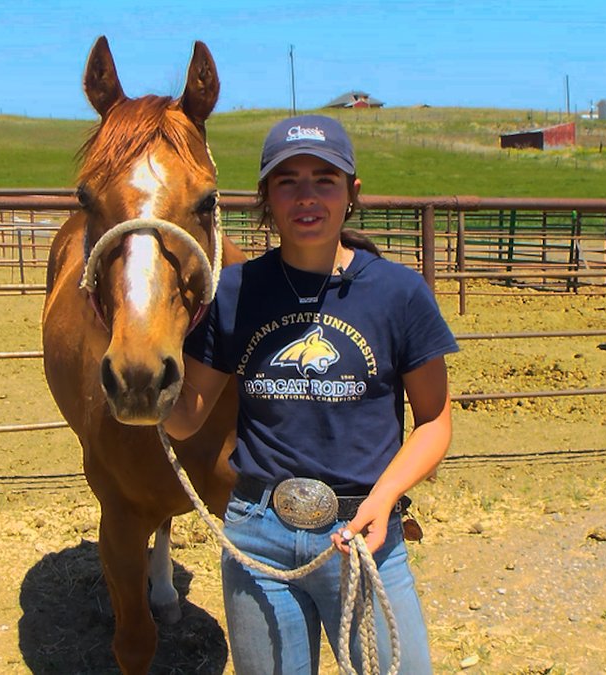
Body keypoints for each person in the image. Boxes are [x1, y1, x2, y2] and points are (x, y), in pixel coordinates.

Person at [163, 114, 458, 673]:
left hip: (365, 532)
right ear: (265, 198)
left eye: (325, 179)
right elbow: (184, 417)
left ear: (352, 192)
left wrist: (385, 498)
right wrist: (137, 366)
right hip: (258, 536)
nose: (307, 196)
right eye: (287, 180)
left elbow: (435, 422)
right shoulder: (235, 290)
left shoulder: (399, 294)